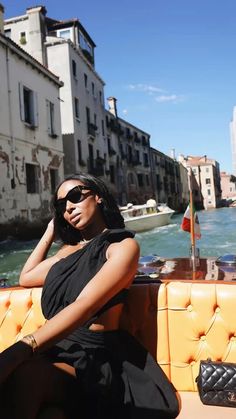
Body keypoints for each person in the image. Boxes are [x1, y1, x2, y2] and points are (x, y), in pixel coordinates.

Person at [0, 174, 180, 419]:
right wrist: (50, 231)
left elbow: (84, 305)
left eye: (75, 197)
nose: (69, 207)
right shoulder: (67, 252)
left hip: (95, 357)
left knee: (25, 376)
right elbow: (26, 277)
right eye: (61, 205)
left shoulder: (122, 246)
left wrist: (23, 347)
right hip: (58, 348)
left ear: (98, 197)